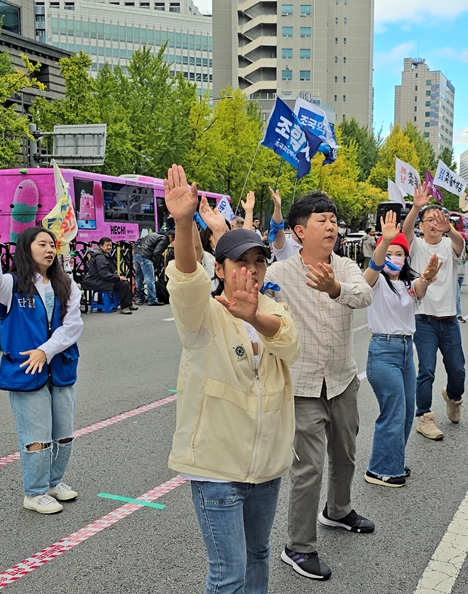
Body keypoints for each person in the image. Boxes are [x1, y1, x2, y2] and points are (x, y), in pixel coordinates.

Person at [160, 166, 299, 594]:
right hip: (217, 468)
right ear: (219, 268)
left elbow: (291, 346)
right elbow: (185, 280)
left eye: (259, 262)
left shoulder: (273, 312)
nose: (251, 270)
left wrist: (255, 315)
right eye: (240, 262)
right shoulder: (203, 316)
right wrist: (185, 222)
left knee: (258, 557)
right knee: (228, 574)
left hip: (267, 467)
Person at [263, 190, 374, 581]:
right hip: (302, 385)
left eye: (333, 219)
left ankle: (339, 511)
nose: (331, 226)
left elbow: (365, 295)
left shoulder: (345, 266)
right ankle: (298, 546)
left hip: (342, 378)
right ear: (298, 231)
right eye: (321, 220)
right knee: (308, 467)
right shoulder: (279, 274)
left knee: (345, 452)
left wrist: (334, 289)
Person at [0, 204, 83, 514]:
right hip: (25, 370)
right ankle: (33, 493)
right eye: (42, 244)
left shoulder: (67, 285)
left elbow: (73, 326)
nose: (49, 250)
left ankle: (53, 482)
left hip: (59, 366)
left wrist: (46, 350)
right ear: (27, 249)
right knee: (36, 436)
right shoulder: (12, 284)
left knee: (63, 434)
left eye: (52, 245)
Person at [362, 211, 441, 488]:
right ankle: (379, 469)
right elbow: (371, 269)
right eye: (389, 252)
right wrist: (384, 241)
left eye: (399, 253)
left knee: (407, 411)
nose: (394, 257)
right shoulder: (375, 281)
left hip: (407, 352)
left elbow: (418, 289)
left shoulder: (407, 283)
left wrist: (428, 277)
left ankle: (392, 461)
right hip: (383, 352)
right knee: (393, 411)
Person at [402, 186, 467, 443]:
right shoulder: (415, 245)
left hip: (449, 318)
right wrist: (417, 207)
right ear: (421, 225)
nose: (434, 224)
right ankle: (424, 416)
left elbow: (460, 243)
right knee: (426, 369)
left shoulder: (450, 246)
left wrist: (448, 228)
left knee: (458, 370)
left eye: (438, 220)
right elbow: (405, 232)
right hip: (423, 318)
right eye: (429, 220)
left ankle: (453, 397)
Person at [83, 238, 136, 314]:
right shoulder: (100, 257)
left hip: (101, 279)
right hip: (96, 281)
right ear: (101, 246)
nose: (109, 247)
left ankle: (128, 304)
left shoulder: (105, 255)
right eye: (107, 245)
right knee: (123, 284)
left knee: (123, 281)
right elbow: (104, 274)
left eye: (110, 245)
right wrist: (117, 278)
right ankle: (124, 307)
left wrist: (117, 277)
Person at [133, 230, 169, 306]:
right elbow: (157, 252)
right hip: (146, 257)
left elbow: (139, 240)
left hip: (137, 254)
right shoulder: (164, 238)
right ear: (171, 237)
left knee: (139, 279)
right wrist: (156, 266)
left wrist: (135, 250)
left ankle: (140, 298)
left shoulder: (152, 234)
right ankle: (152, 300)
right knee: (150, 279)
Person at [267, 187, 301, 262]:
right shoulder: (285, 245)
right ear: (290, 228)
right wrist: (277, 208)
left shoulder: (314, 246)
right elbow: (278, 228)